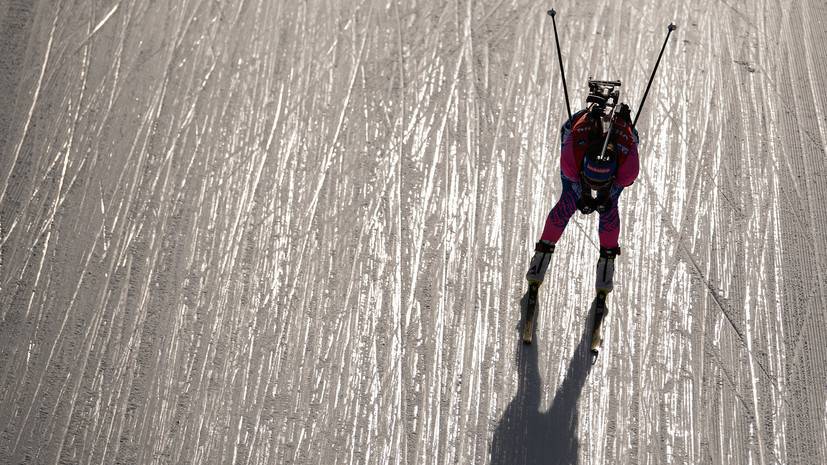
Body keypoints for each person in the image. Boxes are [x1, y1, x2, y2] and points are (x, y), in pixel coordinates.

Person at [525, 101, 639, 298]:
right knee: (569, 199)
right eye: (590, 181)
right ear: (583, 171)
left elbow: (613, 187)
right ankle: (542, 254)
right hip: (577, 137)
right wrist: (585, 194)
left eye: (599, 184)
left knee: (608, 207)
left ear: (613, 175)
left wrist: (602, 196)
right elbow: (578, 179)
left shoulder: (627, 170)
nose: (594, 187)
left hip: (619, 149)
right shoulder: (571, 163)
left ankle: (607, 260)